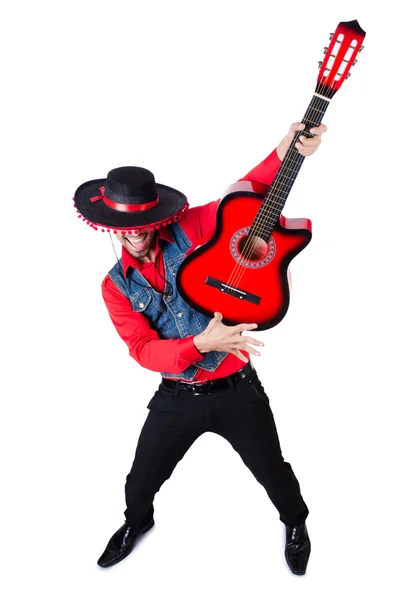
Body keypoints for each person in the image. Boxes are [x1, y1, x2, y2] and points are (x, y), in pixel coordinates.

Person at [73, 121, 327, 575]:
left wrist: (286, 149)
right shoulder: (115, 287)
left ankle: (295, 524)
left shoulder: (191, 227)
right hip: (177, 396)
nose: (134, 233)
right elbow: (143, 350)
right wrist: (199, 344)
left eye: (142, 223)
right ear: (111, 226)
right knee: (139, 481)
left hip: (237, 388)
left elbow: (249, 200)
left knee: (274, 472)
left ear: (156, 215)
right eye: (124, 226)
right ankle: (137, 523)